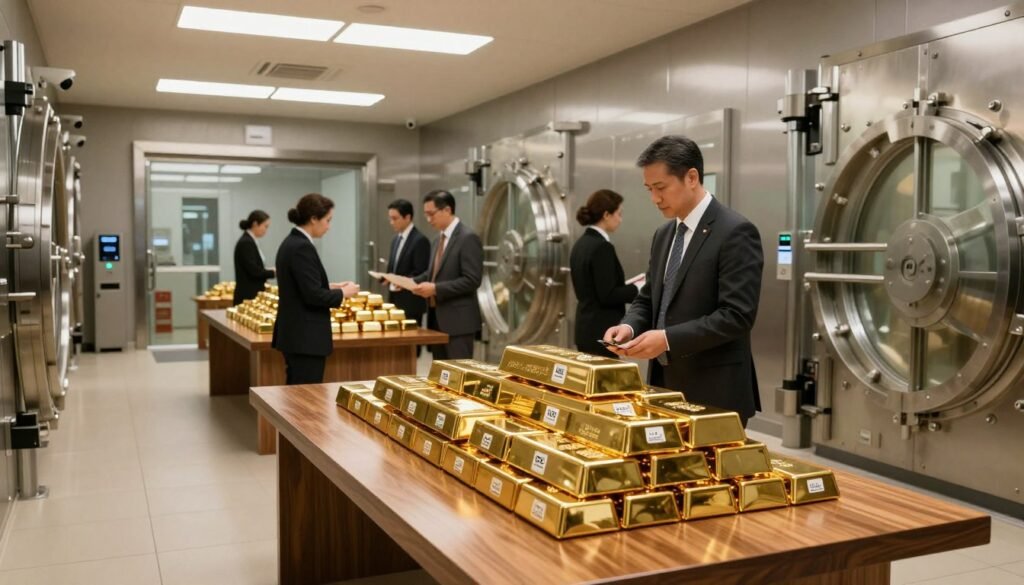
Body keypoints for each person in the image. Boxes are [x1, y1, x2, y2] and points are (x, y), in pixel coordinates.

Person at [604, 135, 763, 425]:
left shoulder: (735, 231)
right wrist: (628, 326)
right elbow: (649, 299)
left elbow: (736, 315)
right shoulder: (664, 235)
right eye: (649, 189)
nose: (655, 198)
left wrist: (666, 340)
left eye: (661, 187)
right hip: (664, 384)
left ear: (691, 177)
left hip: (715, 392)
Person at [272, 193, 360, 384]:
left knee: (296, 395)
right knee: (304, 399)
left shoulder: (291, 242)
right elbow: (312, 295)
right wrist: (344, 293)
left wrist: (330, 286)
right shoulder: (301, 247)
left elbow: (301, 286)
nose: (329, 226)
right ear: (313, 219)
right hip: (305, 338)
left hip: (296, 335)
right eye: (328, 220)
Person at [411, 190, 482, 359]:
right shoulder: (437, 239)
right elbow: (433, 273)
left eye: (431, 214)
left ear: (447, 210)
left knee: (458, 375)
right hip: (437, 319)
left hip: (459, 322)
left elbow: (472, 280)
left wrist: (436, 289)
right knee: (440, 376)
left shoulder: (468, 238)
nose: (428, 220)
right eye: (426, 215)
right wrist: (409, 282)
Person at [570, 189, 642, 357]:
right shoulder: (602, 247)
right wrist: (639, 289)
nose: (620, 219)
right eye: (619, 213)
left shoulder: (581, 243)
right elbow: (608, 295)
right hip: (601, 330)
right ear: (606, 215)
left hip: (585, 327)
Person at [384, 199, 431, 350]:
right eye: (390, 218)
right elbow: (394, 268)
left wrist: (401, 282)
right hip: (395, 299)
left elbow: (421, 271)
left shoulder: (420, 240)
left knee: (409, 347)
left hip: (411, 301)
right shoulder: (395, 239)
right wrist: (386, 277)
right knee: (395, 345)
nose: (391, 222)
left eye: (395, 218)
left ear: (408, 217)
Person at [232, 210, 275, 305]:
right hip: (248, 296)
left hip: (251, 294)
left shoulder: (250, 240)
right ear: (255, 224)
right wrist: (274, 272)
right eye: (265, 226)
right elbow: (254, 271)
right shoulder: (246, 242)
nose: (266, 230)